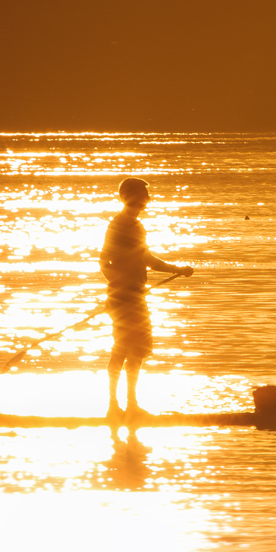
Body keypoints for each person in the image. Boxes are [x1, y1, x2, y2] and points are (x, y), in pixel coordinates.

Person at [100, 177, 192, 430]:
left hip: (133, 296)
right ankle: (114, 405)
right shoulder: (120, 225)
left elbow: (143, 258)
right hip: (124, 299)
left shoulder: (132, 224)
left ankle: (129, 405)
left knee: (136, 350)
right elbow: (105, 262)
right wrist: (120, 287)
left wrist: (175, 269)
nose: (148, 199)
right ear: (132, 197)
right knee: (122, 349)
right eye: (144, 195)